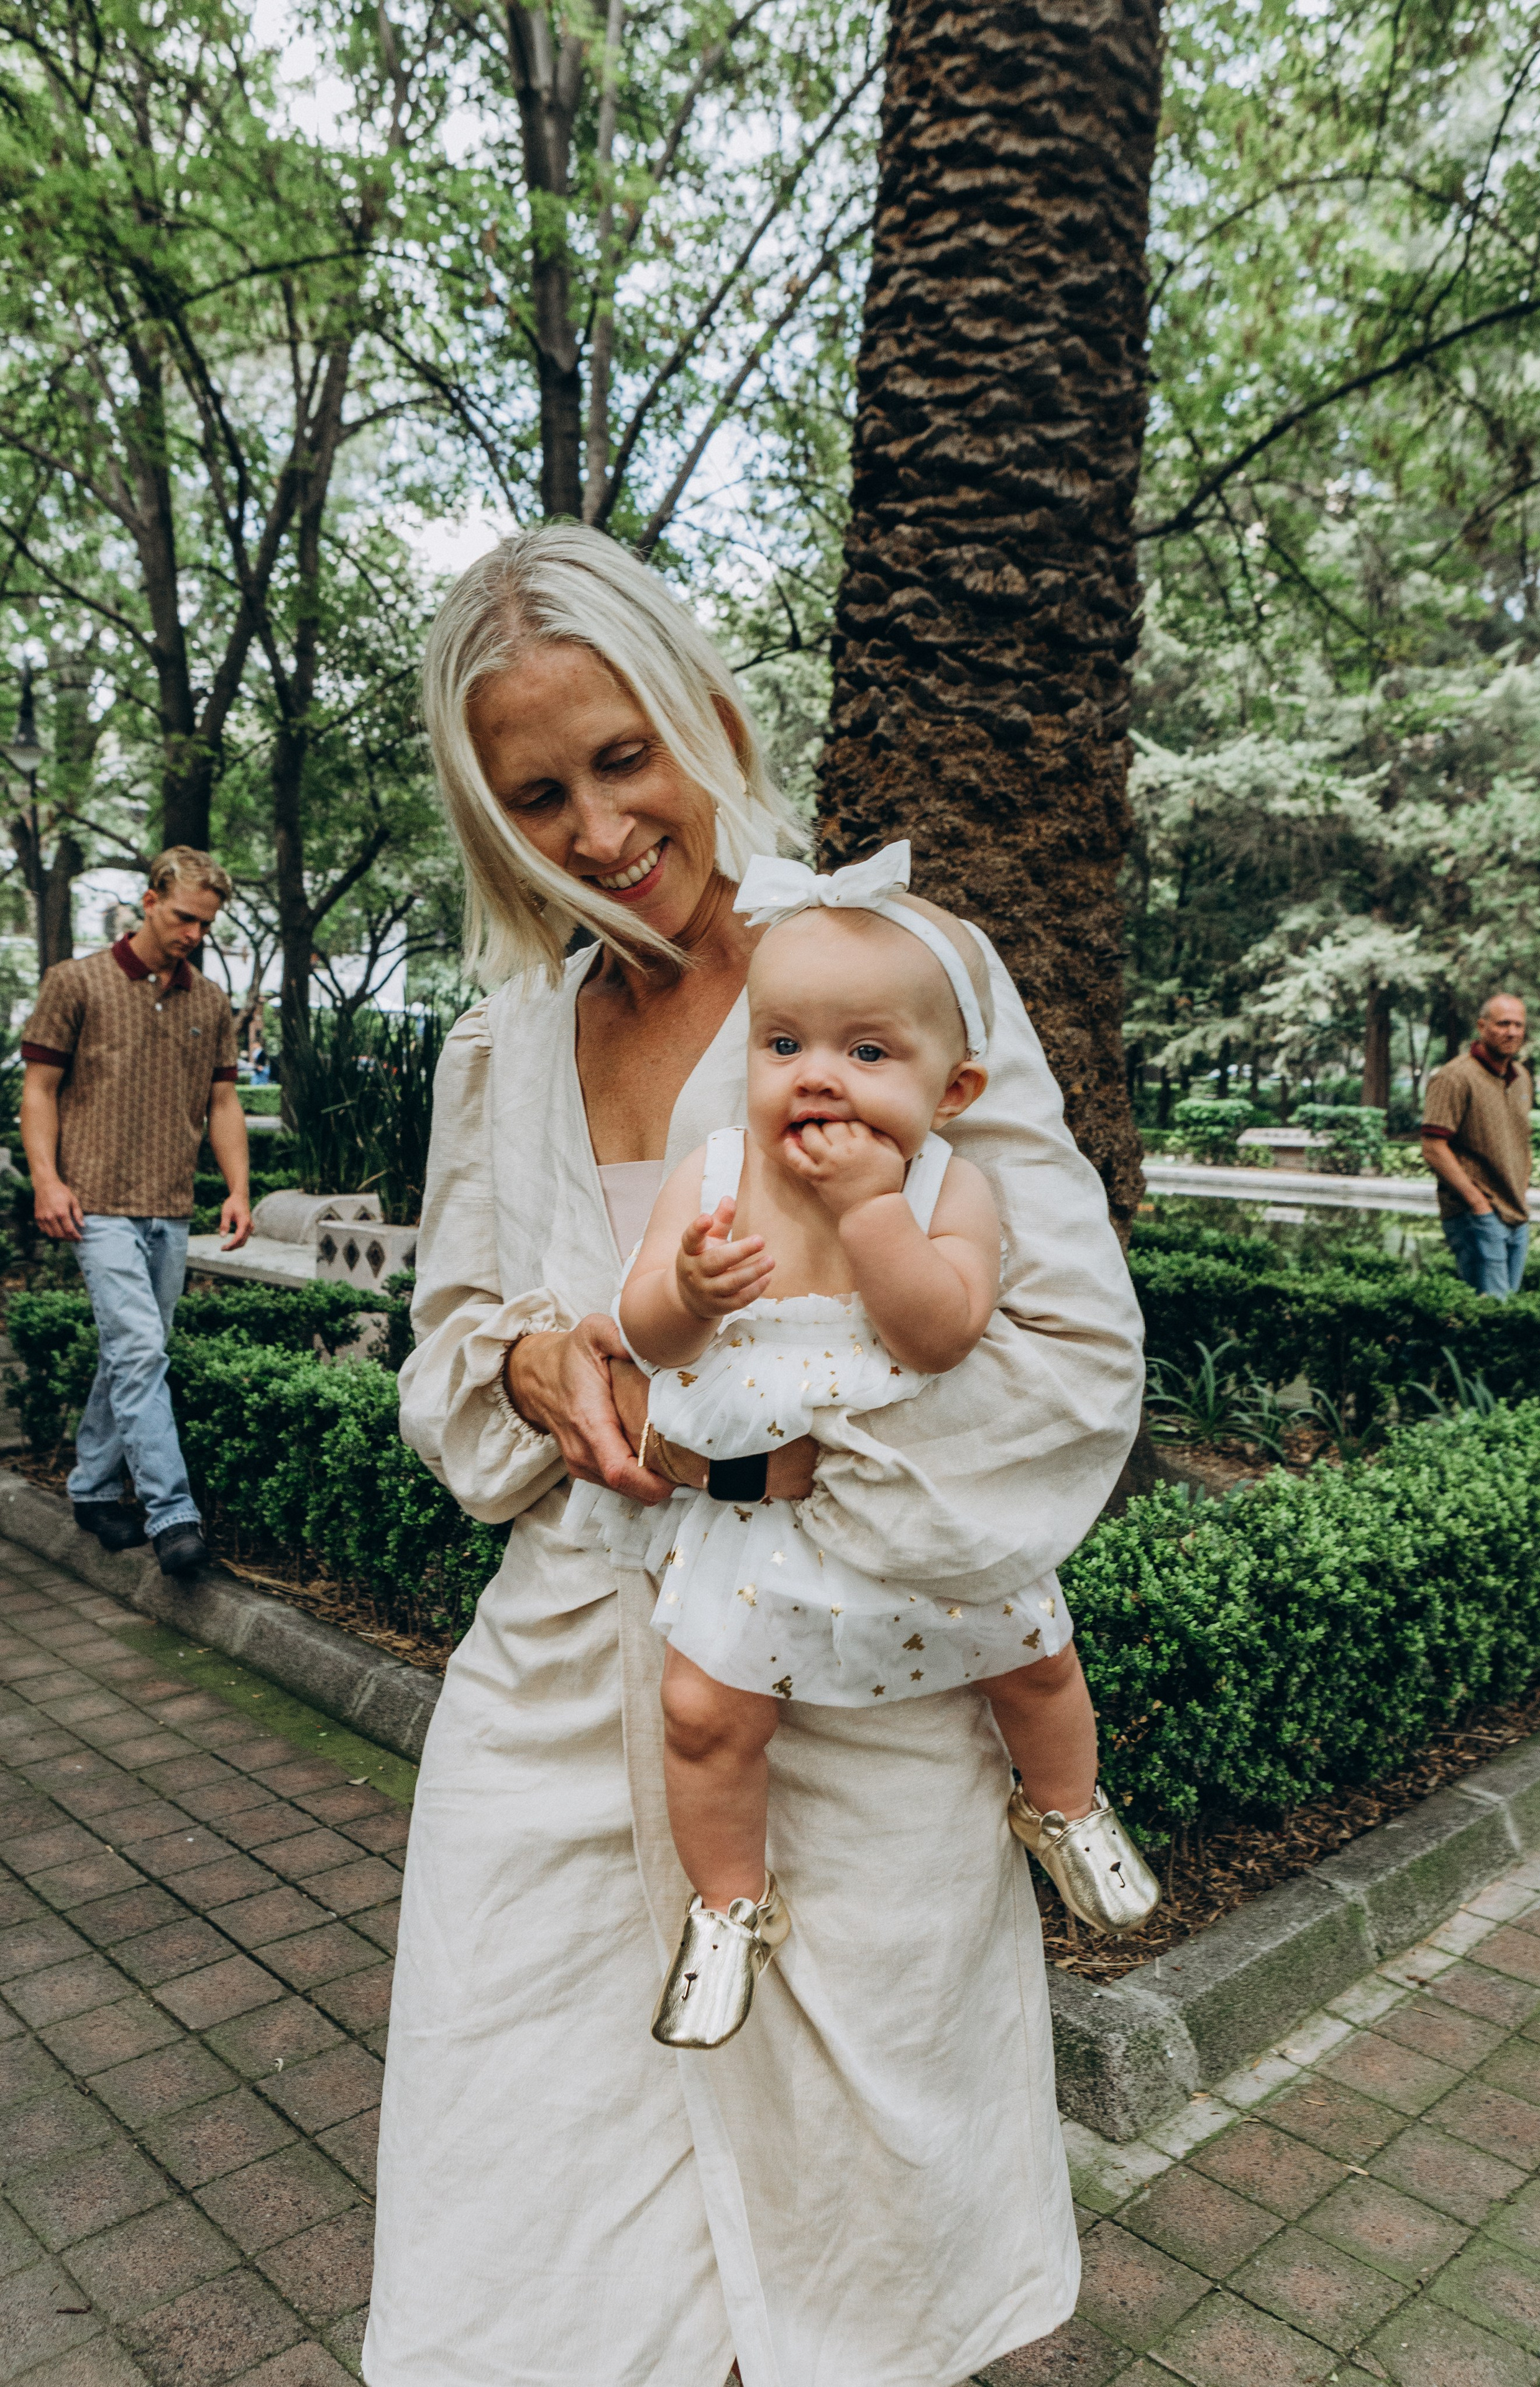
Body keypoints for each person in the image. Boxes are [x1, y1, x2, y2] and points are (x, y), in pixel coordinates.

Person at [364, 525, 1145, 2387]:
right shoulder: (503, 1048)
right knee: (520, 2192)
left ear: (709, 722)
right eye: (535, 791)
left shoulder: (894, 978)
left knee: (855, 2226)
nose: (597, 825)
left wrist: (781, 1485)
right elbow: (450, 1374)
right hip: (557, 1678)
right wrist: (545, 1355)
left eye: (622, 757)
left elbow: (1062, 1358)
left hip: (851, 1677)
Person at [566, 842, 1158, 2050]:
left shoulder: (952, 1193)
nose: (817, 1080)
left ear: (950, 1092)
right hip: (757, 1523)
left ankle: (1065, 1808)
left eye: (866, 1051)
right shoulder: (717, 1175)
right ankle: (730, 1905)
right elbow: (636, 1333)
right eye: (783, 1046)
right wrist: (686, 1287)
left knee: (1036, 1661)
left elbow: (939, 1334)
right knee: (701, 1711)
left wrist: (869, 1211)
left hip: (918, 1511)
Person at [19, 847, 253, 1572]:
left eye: (206, 924)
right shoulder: (75, 982)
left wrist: (239, 1188)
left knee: (131, 1354)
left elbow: (222, 1101)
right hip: (97, 1206)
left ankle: (90, 1488)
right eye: (184, 916)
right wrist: (46, 1181)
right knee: (141, 1351)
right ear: (149, 900)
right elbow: (38, 1091)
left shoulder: (210, 1001)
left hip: (171, 1209)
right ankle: (173, 1516)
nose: (194, 933)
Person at [1421, 993, 1532, 1298]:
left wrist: (1522, 1193)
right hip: (1476, 1214)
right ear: (1482, 1027)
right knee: (1490, 1313)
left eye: (1518, 1025)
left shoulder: (1521, 1077)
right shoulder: (1455, 1077)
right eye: (1503, 1024)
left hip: (1517, 1214)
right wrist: (1478, 1203)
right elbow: (1433, 1147)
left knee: (1505, 1312)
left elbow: (1522, 1141)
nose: (1512, 1032)